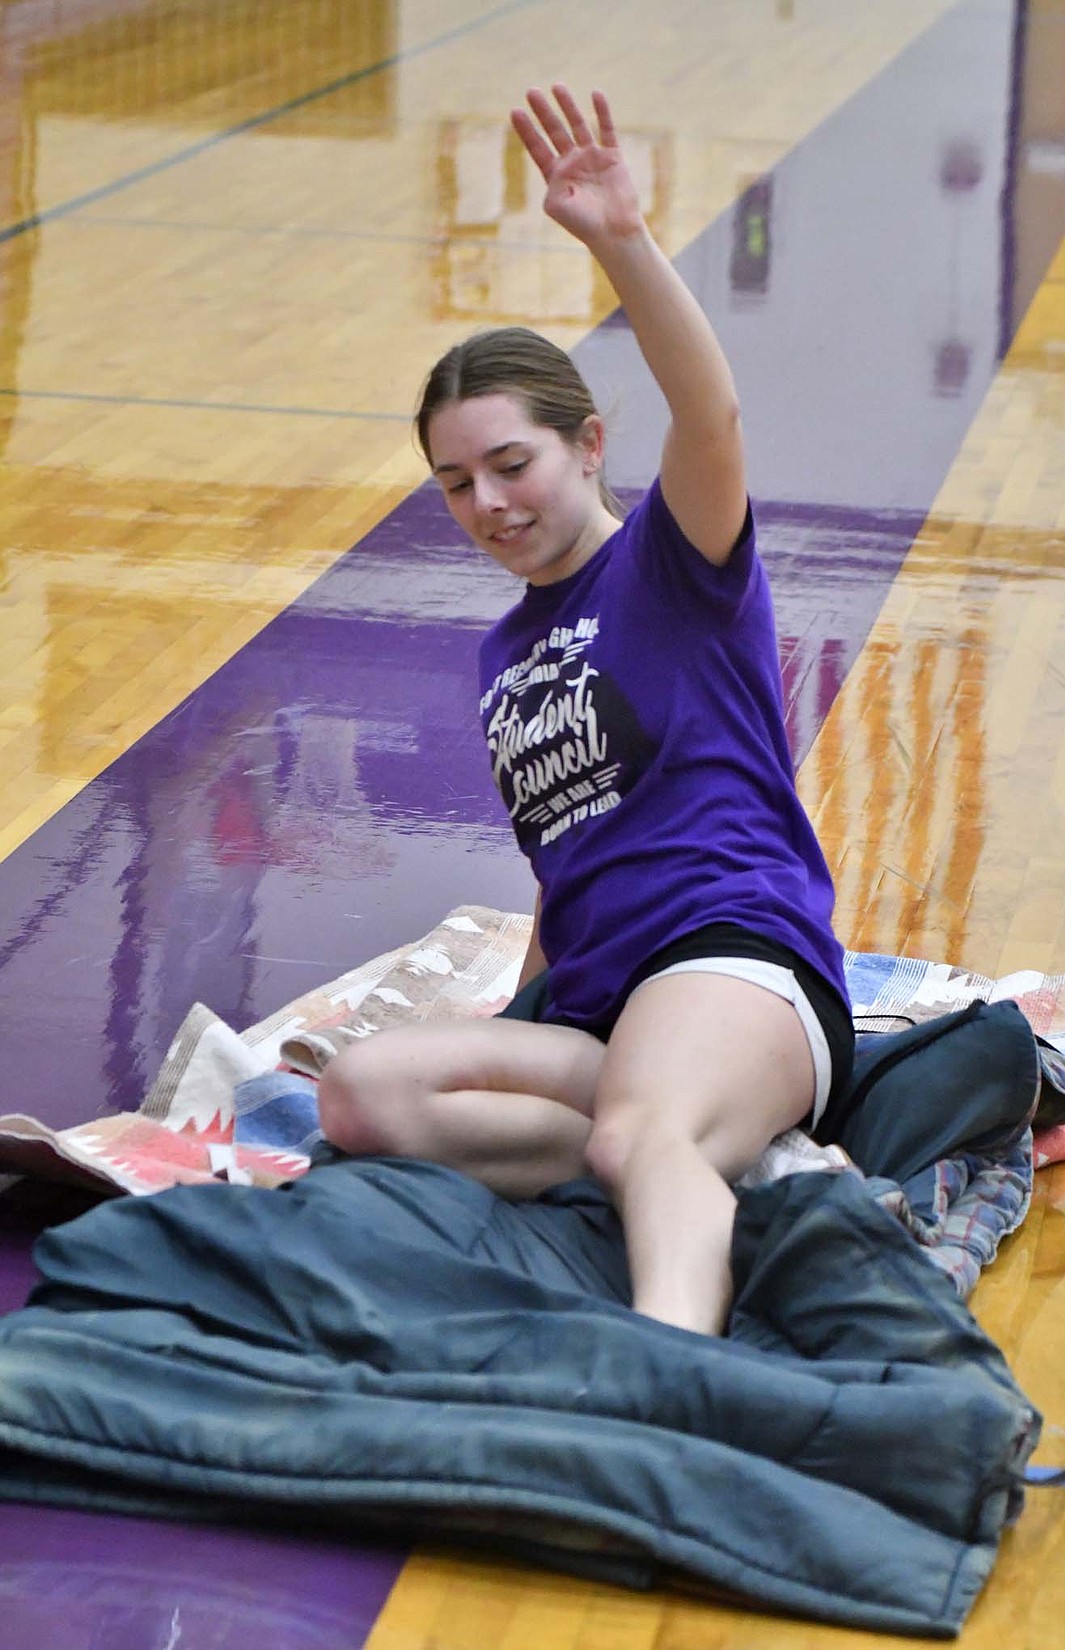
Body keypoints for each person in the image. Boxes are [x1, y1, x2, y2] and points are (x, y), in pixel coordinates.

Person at [318, 85, 853, 1337]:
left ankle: (671, 1365)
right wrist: (517, 1012)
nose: (487, 503)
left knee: (640, 1128)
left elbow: (709, 411)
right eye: (455, 485)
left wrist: (620, 239)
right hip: (604, 1016)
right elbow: (568, 863)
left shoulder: (676, 564)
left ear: (587, 444)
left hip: (735, 964)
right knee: (362, 1097)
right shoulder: (505, 654)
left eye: (511, 464)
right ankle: (710, 1153)